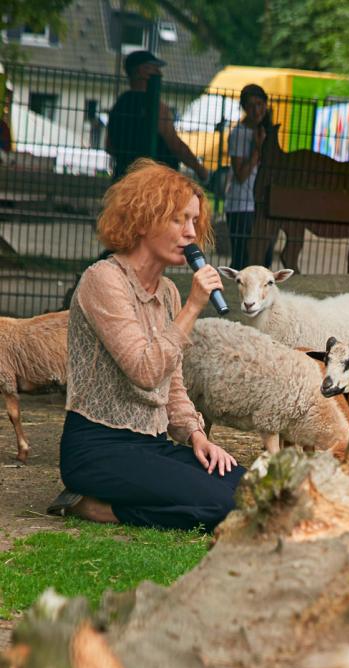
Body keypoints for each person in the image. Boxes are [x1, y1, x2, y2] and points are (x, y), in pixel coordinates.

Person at [47, 159, 246, 531]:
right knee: (222, 506)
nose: (191, 234)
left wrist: (197, 437)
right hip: (98, 448)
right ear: (142, 220)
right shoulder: (103, 281)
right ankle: (97, 508)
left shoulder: (168, 292)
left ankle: (141, 493)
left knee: (251, 488)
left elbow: (171, 383)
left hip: (153, 444)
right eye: (178, 220)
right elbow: (144, 370)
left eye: (194, 221)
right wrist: (193, 308)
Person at [106, 50, 209, 182]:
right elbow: (174, 144)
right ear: (143, 72)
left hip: (124, 177)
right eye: (155, 69)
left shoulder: (119, 105)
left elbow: (109, 146)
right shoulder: (156, 107)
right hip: (155, 181)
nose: (160, 74)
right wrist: (199, 168)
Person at [220, 83, 272, 269]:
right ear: (244, 108)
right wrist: (257, 149)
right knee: (243, 260)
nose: (256, 110)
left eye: (260, 104)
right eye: (250, 106)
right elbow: (241, 175)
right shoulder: (238, 134)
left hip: (262, 204)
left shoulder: (267, 131)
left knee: (264, 258)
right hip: (241, 204)